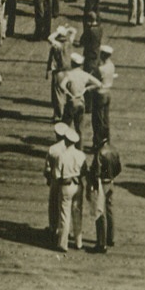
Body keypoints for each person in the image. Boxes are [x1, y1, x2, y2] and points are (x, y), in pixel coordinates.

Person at [49, 123, 86, 252]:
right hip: (78, 186)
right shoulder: (81, 155)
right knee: (77, 213)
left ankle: (63, 243)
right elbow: (84, 171)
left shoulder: (62, 156)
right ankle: (78, 241)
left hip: (66, 186)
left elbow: (57, 174)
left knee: (65, 215)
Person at [86, 135, 123, 253]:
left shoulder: (100, 153)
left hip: (101, 184)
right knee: (110, 210)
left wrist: (92, 181)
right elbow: (118, 168)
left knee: (100, 212)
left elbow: (96, 171)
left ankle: (101, 243)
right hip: (111, 182)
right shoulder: (114, 150)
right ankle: (110, 238)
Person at [59, 52, 101, 139]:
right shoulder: (85, 75)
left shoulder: (69, 74)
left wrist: (68, 93)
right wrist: (87, 89)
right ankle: (79, 149)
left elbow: (61, 85)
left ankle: (64, 146)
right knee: (79, 129)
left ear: (72, 63)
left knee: (64, 126)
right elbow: (99, 84)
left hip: (71, 102)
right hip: (81, 101)